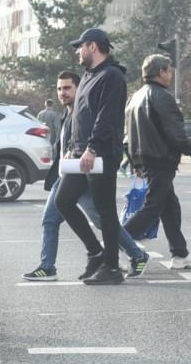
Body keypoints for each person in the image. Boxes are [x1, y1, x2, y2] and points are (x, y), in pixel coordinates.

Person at [22, 71, 149, 281]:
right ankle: (48, 266)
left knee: (100, 220)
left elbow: (91, 139)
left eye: (67, 88)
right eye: (59, 89)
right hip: (68, 173)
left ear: (79, 89)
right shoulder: (67, 114)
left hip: (79, 174)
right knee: (52, 220)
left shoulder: (81, 114)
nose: (62, 93)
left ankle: (133, 254)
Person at [54, 28, 127, 285]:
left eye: (80, 46)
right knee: (63, 201)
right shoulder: (88, 75)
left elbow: (106, 117)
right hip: (80, 153)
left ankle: (112, 267)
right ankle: (96, 253)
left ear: (93, 47)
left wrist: (92, 148)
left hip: (100, 154)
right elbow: (80, 115)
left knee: (106, 211)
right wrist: (73, 147)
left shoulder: (112, 76)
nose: (78, 51)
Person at [124, 54, 191, 269]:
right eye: (169, 71)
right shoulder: (162, 96)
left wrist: (134, 161)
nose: (171, 75)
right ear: (161, 72)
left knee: (170, 207)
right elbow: (175, 130)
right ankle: (115, 243)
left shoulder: (136, 96)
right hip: (161, 159)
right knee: (153, 207)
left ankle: (180, 254)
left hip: (145, 159)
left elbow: (128, 134)